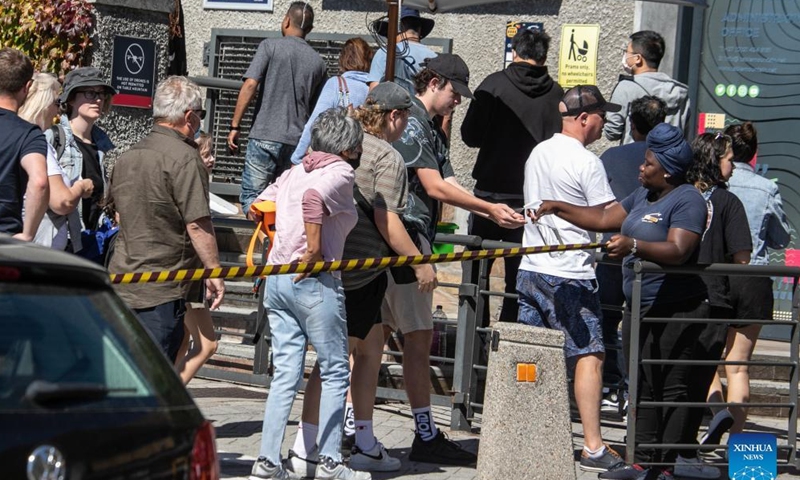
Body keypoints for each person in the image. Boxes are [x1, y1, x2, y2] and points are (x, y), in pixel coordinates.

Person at [533, 123, 709, 480]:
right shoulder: (644, 196)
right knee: (640, 383)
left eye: (647, 164)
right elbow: (602, 218)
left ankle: (666, 468)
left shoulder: (687, 198)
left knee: (670, 388)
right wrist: (557, 207)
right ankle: (641, 461)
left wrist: (634, 246)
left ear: (668, 170)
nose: (640, 169)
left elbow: (679, 249)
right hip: (640, 309)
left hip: (675, 311)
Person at [384, 53, 524, 466]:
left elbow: (447, 180)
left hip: (402, 240)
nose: (457, 102)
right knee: (414, 337)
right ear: (434, 83)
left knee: (388, 339)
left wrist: (489, 207)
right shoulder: (410, 120)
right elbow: (435, 186)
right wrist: (488, 209)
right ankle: (421, 433)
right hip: (404, 242)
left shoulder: (427, 126)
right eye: (454, 93)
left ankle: (364, 430)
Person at [288, 83, 421, 475]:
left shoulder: (338, 140)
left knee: (369, 348)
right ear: (393, 117)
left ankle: (363, 440)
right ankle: (305, 447)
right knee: (334, 362)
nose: (406, 125)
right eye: (405, 117)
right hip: (357, 273)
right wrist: (420, 263)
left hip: (338, 267)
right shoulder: (388, 157)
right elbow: (388, 220)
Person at [248, 108, 369, 480]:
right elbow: (314, 200)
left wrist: (283, 236)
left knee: (285, 372)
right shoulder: (340, 172)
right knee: (335, 370)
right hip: (314, 278)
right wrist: (313, 250)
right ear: (348, 147)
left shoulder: (293, 171)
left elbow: (258, 204)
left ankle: (267, 462)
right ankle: (331, 463)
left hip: (277, 278)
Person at [516, 84, 622, 473]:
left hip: (531, 267)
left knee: (534, 355)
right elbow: (609, 216)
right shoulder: (586, 162)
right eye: (600, 116)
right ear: (583, 118)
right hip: (570, 274)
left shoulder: (537, 152)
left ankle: (527, 434)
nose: (603, 123)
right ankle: (592, 445)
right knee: (589, 356)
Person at [108, 76, 225, 363]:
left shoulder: (128, 156)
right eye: (201, 114)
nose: (200, 121)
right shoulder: (186, 158)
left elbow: (119, 214)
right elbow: (197, 223)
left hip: (122, 279)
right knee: (153, 375)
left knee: (123, 370)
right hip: (161, 287)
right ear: (189, 116)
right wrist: (214, 270)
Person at [460, 27, 563, 324]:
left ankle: (473, 349)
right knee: (518, 283)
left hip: (489, 197)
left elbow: (470, 136)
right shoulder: (557, 94)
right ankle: (507, 347)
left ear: (514, 52)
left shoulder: (493, 85)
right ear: (544, 56)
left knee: (475, 278)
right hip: (532, 202)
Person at [672, 132, 752, 479]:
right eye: (729, 158)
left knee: (672, 376)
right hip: (713, 300)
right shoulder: (728, 202)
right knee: (700, 375)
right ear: (714, 161)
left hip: (673, 296)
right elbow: (742, 257)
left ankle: (663, 449)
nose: (733, 165)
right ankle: (686, 452)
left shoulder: (678, 194)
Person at [705, 122, 791, 440]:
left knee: (706, 360)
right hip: (753, 278)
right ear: (753, 154)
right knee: (738, 365)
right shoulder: (766, 188)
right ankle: (738, 446)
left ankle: (719, 414)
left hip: (715, 276)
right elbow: (781, 239)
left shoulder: (710, 186)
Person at [597, 95, 666, 412]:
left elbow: (599, 202)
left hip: (613, 249)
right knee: (648, 325)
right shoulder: (670, 165)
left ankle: (612, 386)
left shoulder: (612, 156)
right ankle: (641, 392)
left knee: (607, 320)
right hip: (655, 254)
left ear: (632, 125)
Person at [227, 1, 327, 215]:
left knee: (252, 200)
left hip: (264, 135)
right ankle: (275, 244)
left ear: (286, 20)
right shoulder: (318, 62)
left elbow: (250, 84)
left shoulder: (269, 46)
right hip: (296, 142)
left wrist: (235, 125)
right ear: (309, 29)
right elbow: (317, 108)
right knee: (285, 202)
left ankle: (264, 239)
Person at [47, 66, 117, 260]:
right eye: (89, 93)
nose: (98, 99)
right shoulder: (54, 138)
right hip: (64, 241)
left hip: (94, 241)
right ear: (70, 99)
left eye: (101, 94)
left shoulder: (102, 145)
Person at [17, 73, 93, 250]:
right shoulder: (37, 143)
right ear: (43, 104)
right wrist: (81, 187)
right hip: (37, 250)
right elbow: (62, 202)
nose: (58, 111)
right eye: (56, 103)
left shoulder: (15, 136)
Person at [174, 131, 219, 385]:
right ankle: (171, 400)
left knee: (182, 342)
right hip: (191, 275)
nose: (211, 160)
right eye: (206, 154)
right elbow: (197, 231)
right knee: (207, 344)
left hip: (186, 274)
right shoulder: (195, 188)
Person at [291, 37, 373, 165]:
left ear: (343, 59)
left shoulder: (336, 84)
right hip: (366, 158)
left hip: (337, 156)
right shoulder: (373, 88)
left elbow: (314, 122)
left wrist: (297, 158)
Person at [604, 30, 690, 145]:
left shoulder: (626, 87)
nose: (625, 56)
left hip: (636, 158)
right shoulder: (679, 91)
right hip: (669, 159)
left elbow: (612, 132)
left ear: (637, 58)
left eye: (627, 52)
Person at [0, 48, 49, 241]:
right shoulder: (28, 134)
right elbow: (39, 182)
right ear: (27, 87)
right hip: (5, 242)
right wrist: (28, 234)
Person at [369, 7, 437, 96]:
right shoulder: (435, 58)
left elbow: (374, 93)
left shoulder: (386, 53)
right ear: (419, 30)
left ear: (395, 29)